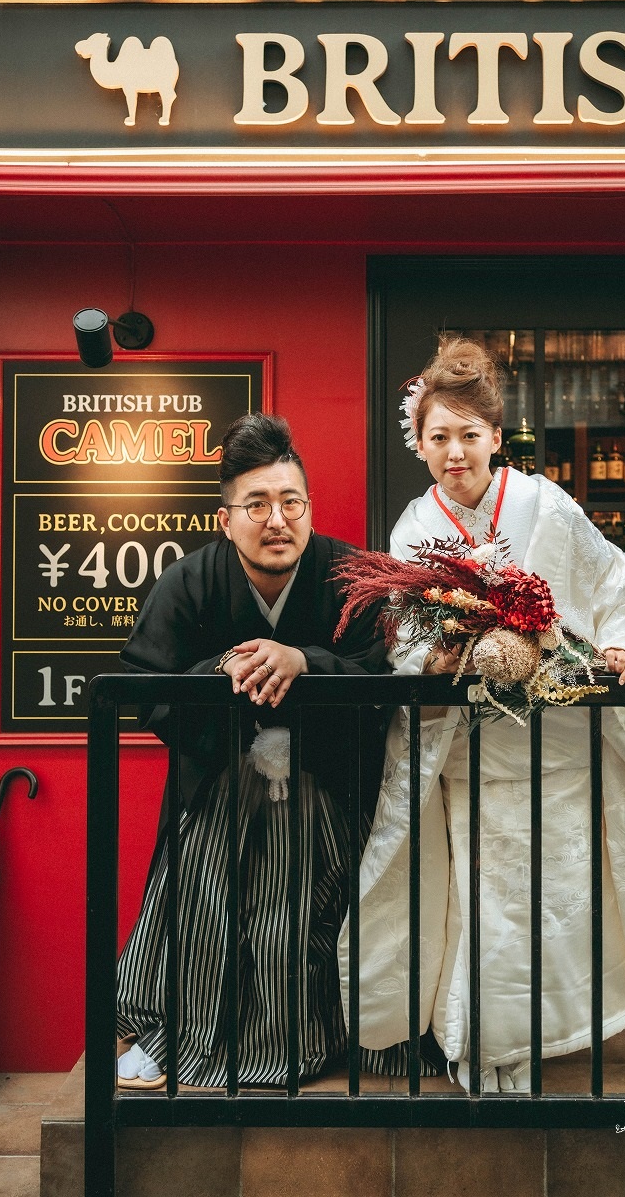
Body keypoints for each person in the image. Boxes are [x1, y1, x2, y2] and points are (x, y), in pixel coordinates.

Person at [339, 339, 625, 1092]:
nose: (453, 452)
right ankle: (482, 1042)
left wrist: (622, 644)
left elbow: (610, 579)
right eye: (437, 436)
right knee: (483, 898)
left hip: (553, 745)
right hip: (470, 749)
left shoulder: (542, 504)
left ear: (496, 435)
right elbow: (405, 634)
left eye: (467, 434)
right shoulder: (413, 527)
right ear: (417, 443)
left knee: (557, 890)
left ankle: (552, 1032)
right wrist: (439, 653)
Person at [116, 412, 396, 1089]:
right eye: (257, 505)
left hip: (322, 788)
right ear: (225, 518)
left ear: (308, 507)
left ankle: (313, 1042)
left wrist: (305, 662)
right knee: (204, 910)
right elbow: (144, 685)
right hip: (220, 786)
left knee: (295, 924)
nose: (277, 520)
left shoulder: (348, 575)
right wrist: (221, 676)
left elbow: (385, 677)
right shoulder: (188, 581)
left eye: (291, 501)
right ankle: (172, 1037)